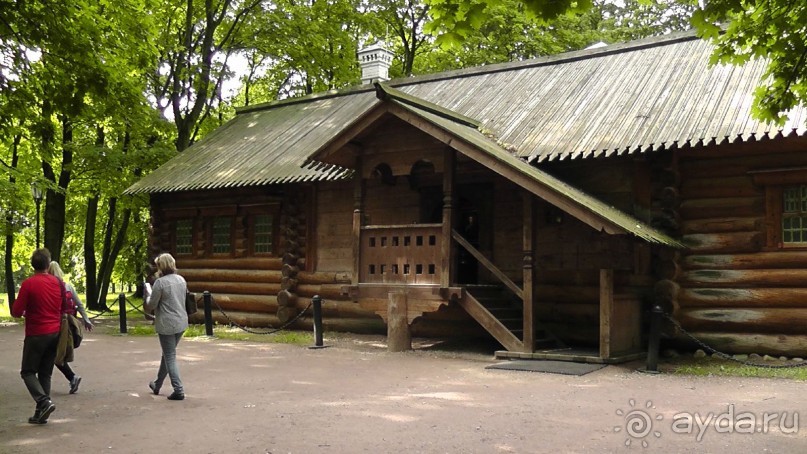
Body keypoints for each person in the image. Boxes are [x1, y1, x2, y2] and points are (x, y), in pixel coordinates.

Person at [11, 248, 61, 424]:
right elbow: (64, 307)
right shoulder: (57, 282)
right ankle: (41, 413)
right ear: (48, 264)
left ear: (33, 265)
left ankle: (43, 401)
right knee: (45, 373)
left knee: (27, 371)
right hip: (55, 332)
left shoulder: (28, 284)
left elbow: (16, 311)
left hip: (36, 333)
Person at [143, 252, 188, 400]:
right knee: (168, 354)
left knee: (169, 355)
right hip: (181, 321)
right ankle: (157, 384)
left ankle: (178, 389)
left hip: (166, 324)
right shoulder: (181, 280)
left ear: (161, 266)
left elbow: (151, 305)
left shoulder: (160, 283)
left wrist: (148, 293)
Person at [48, 261, 94, 394]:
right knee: (55, 353)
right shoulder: (68, 286)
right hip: (69, 323)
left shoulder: (51, 287)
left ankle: (71, 377)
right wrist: (86, 320)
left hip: (56, 325)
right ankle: (70, 377)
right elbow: (79, 304)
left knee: (55, 354)